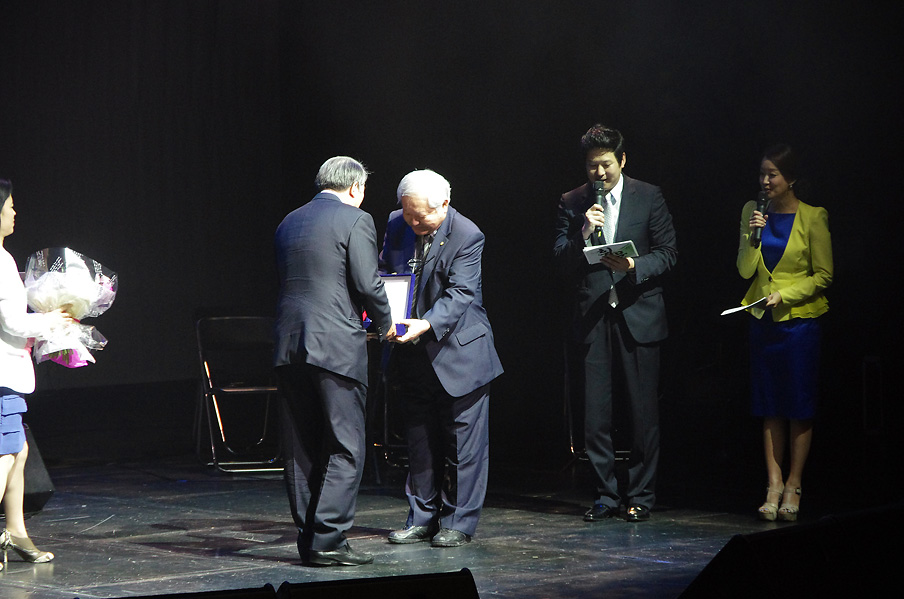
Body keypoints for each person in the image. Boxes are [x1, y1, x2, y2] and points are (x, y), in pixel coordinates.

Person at [273, 157, 394, 566]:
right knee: (346, 445)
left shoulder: (288, 221)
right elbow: (367, 282)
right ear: (355, 188)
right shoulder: (356, 219)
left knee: (301, 448)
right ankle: (327, 540)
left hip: (289, 345)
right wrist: (387, 324)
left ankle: (309, 538)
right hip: (335, 347)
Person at [553, 125, 677, 523]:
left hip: (638, 314)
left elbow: (668, 253)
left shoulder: (649, 195)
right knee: (595, 415)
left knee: (642, 413)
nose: (600, 173)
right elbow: (559, 259)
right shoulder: (572, 201)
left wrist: (633, 265)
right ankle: (605, 495)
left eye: (606, 164)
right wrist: (583, 232)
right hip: (593, 318)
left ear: (622, 160)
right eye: (592, 166)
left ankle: (640, 495)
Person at [380, 169, 503, 548]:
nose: (413, 224)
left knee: (462, 447)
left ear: (444, 205)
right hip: (411, 353)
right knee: (419, 442)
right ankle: (420, 518)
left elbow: (461, 293)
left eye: (421, 217)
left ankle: (458, 523)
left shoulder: (467, 234)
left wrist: (426, 324)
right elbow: (386, 273)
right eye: (408, 214)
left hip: (460, 353)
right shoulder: (397, 223)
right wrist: (381, 316)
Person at [737, 144, 832, 522]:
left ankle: (794, 483)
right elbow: (745, 271)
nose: (765, 181)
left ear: (790, 178)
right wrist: (753, 237)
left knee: (798, 406)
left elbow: (823, 276)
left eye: (772, 174)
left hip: (799, 325)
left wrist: (785, 295)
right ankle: (773, 485)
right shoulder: (752, 211)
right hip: (763, 322)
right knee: (769, 405)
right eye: (762, 173)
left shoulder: (813, 216)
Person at [0, 179, 71, 568]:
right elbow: (12, 321)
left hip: (6, 371)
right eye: (9, 205)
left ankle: (15, 531)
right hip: (2, 374)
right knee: (7, 451)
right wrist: (51, 320)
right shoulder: (0, 261)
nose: (14, 211)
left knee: (19, 449)